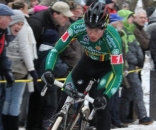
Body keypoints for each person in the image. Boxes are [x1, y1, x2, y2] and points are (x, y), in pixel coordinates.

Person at [41, 1, 123, 130]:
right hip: (87, 62)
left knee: (101, 105)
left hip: (106, 69)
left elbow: (118, 75)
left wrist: (105, 96)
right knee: (66, 94)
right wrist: (48, 70)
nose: (92, 34)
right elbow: (55, 50)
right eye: (89, 28)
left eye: (97, 30)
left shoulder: (113, 38)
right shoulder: (76, 27)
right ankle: (57, 122)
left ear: (105, 26)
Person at [26, 2, 74, 130]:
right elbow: (29, 47)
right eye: (64, 16)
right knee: (36, 104)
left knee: (43, 105)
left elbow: (58, 45)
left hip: (45, 70)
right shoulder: (37, 22)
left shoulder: (55, 23)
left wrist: (73, 61)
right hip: (35, 70)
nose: (66, 19)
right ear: (55, 14)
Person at [118, 9, 154, 125]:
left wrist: (139, 58)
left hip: (135, 65)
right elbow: (126, 51)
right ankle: (142, 116)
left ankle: (122, 115)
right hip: (128, 67)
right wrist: (135, 59)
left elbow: (138, 46)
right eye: (130, 18)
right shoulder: (122, 33)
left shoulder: (130, 31)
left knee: (128, 93)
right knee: (137, 90)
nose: (132, 20)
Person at [0, 3, 14, 130]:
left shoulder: (3, 33)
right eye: (8, 17)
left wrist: (7, 71)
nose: (11, 20)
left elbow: (2, 54)